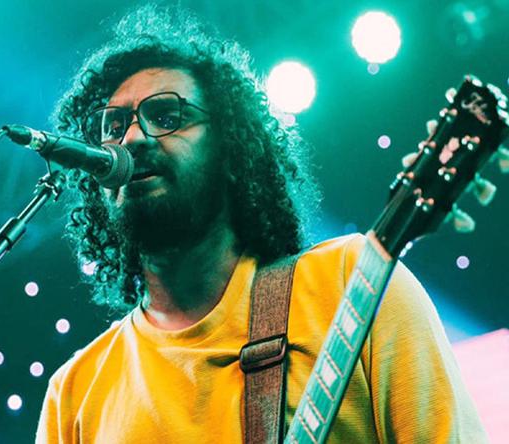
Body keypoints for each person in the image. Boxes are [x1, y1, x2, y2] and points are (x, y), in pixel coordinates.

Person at [36, 5, 486, 443]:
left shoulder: (354, 284)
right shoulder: (74, 394)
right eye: (113, 126)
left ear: (230, 149)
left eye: (167, 117)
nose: (131, 138)